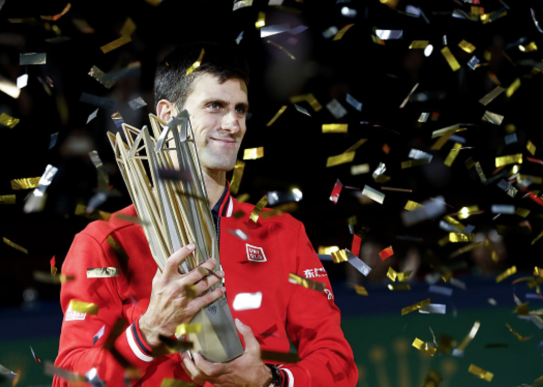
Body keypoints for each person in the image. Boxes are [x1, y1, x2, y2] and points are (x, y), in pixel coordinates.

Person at [54, 42, 358, 387]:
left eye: (240, 110)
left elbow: (338, 364)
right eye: (215, 106)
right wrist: (147, 332)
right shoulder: (104, 242)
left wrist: (270, 380)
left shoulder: (282, 233)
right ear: (168, 115)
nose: (233, 124)